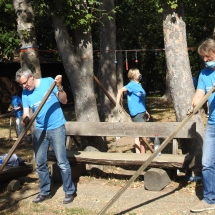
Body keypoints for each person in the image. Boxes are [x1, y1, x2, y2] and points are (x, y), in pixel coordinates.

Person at [15, 67, 76, 204]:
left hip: (57, 127)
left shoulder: (49, 82)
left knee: (62, 162)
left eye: (25, 83)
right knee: (40, 162)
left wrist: (59, 87)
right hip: (40, 130)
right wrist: (25, 121)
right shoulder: (25, 94)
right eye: (21, 84)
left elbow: (64, 101)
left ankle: (69, 191)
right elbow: (26, 113)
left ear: (31, 76)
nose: (24, 86)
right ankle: (45, 192)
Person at [189, 38, 215, 213]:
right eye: (203, 57)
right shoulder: (204, 75)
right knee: (207, 162)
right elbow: (199, 95)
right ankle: (209, 199)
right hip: (213, 124)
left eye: (208, 56)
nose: (205, 60)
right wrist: (193, 107)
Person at [116, 68, 150, 153]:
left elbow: (141, 101)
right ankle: (142, 157)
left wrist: (145, 111)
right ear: (134, 76)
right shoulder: (131, 85)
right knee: (142, 136)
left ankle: (140, 156)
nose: (140, 74)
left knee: (140, 135)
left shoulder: (139, 85)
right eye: (138, 73)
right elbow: (120, 90)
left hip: (142, 112)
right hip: (136, 113)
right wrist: (118, 103)